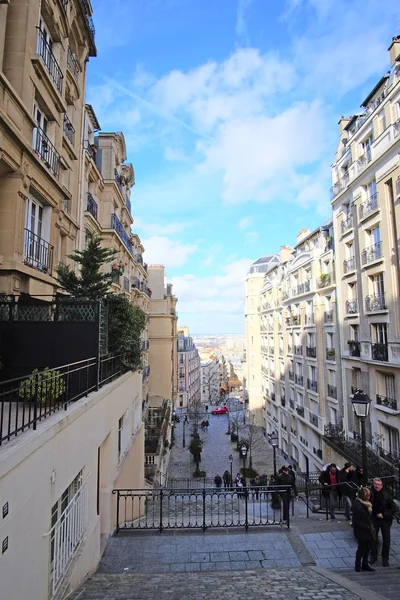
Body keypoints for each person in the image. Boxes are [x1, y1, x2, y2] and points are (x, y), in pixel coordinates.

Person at [369, 478, 396, 567]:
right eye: (376, 484)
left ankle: (385, 558)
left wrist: (384, 514)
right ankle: (373, 556)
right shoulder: (370, 493)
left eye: (379, 484)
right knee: (373, 539)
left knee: (386, 540)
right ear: (373, 484)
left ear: (382, 485)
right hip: (374, 519)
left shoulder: (386, 495)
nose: (377, 486)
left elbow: (393, 508)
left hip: (385, 520)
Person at [352, 487, 375, 572]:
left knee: (367, 548)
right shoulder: (359, 506)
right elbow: (356, 521)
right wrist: (367, 527)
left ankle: (365, 564)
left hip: (367, 530)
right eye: (368, 495)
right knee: (361, 548)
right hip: (361, 531)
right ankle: (358, 566)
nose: (369, 497)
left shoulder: (366, 504)